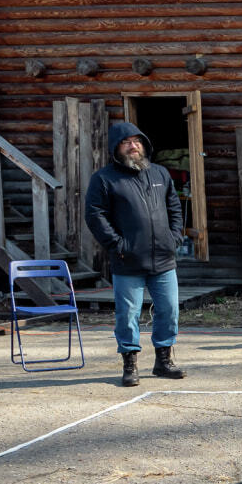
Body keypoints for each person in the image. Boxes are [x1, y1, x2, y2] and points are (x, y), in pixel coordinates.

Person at [85, 121, 187, 387]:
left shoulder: (160, 174)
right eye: (126, 142)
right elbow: (95, 215)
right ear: (116, 148)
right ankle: (130, 365)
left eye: (137, 141)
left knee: (169, 310)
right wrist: (118, 245)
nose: (133, 146)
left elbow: (175, 208)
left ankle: (163, 361)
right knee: (128, 314)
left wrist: (174, 237)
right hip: (127, 260)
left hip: (164, 258)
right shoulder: (104, 179)